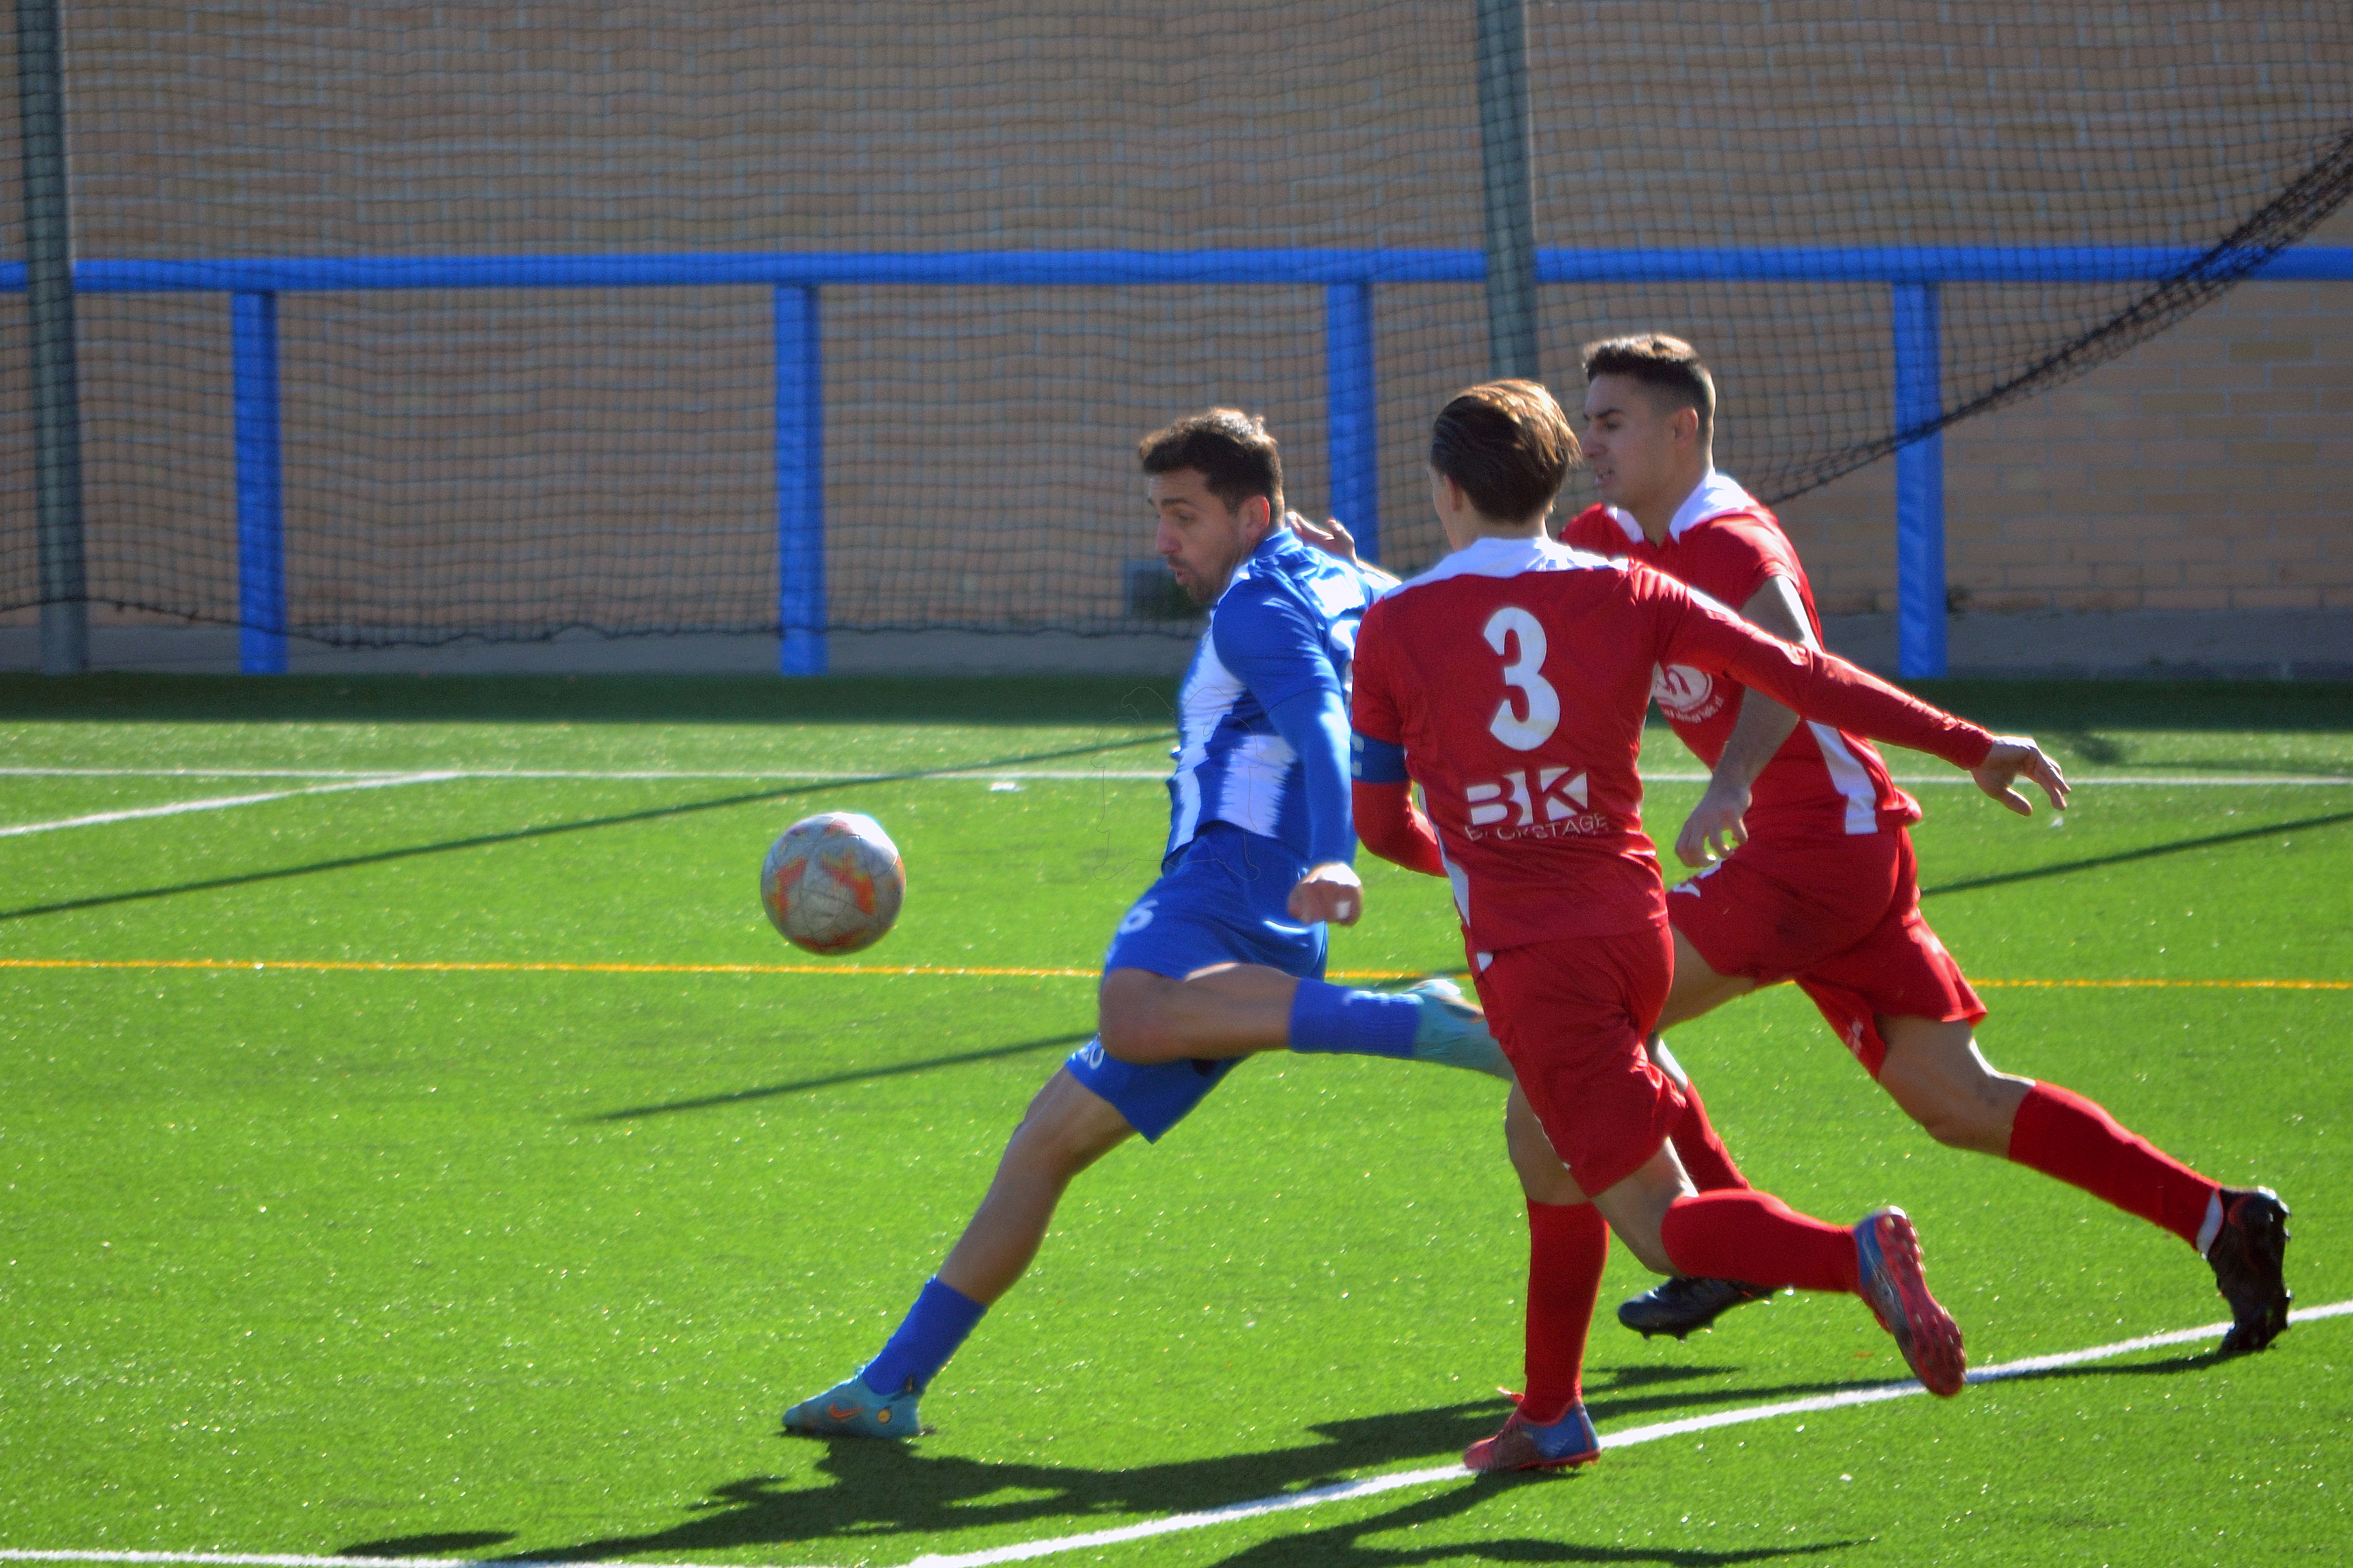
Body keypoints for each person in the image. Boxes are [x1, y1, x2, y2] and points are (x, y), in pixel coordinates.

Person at [1331, 378, 2070, 1472]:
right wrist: (1971, 745)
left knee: (1658, 1222)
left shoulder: (1392, 625)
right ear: (1554, 481)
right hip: (1636, 931)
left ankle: (1853, 1256)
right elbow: (1805, 673)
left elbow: (1378, 824)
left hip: (1535, 957)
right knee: (1542, 1145)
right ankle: (1551, 1410)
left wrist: (1476, 853)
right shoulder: (1629, 584)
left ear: (1444, 489)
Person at [1552, 334, 2290, 1358]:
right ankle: (2219, 1218)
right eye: (1585, 420)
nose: (1587, 442)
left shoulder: (1731, 540)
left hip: (1814, 852)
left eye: (1609, 421)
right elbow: (1492, 594)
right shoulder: (1609, 533)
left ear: (1680, 429)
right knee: (1958, 1101)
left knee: (1595, 1003)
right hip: (1838, 851)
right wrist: (1355, 580)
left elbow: (1794, 659)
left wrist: (1732, 779)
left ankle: (1723, 1241)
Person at [781, 409, 1512, 1440]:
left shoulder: (1255, 601)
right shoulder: (1339, 576)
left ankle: (1413, 1019)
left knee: (1128, 1011)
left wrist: (1336, 850)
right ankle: (889, 1383)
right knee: (1046, 1141)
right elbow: (1395, 624)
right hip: (1268, 909)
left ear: (1251, 514)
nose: (1163, 539)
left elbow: (1319, 718)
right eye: (1159, 514)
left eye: (1184, 515)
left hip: (1227, 880)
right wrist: (1358, 570)